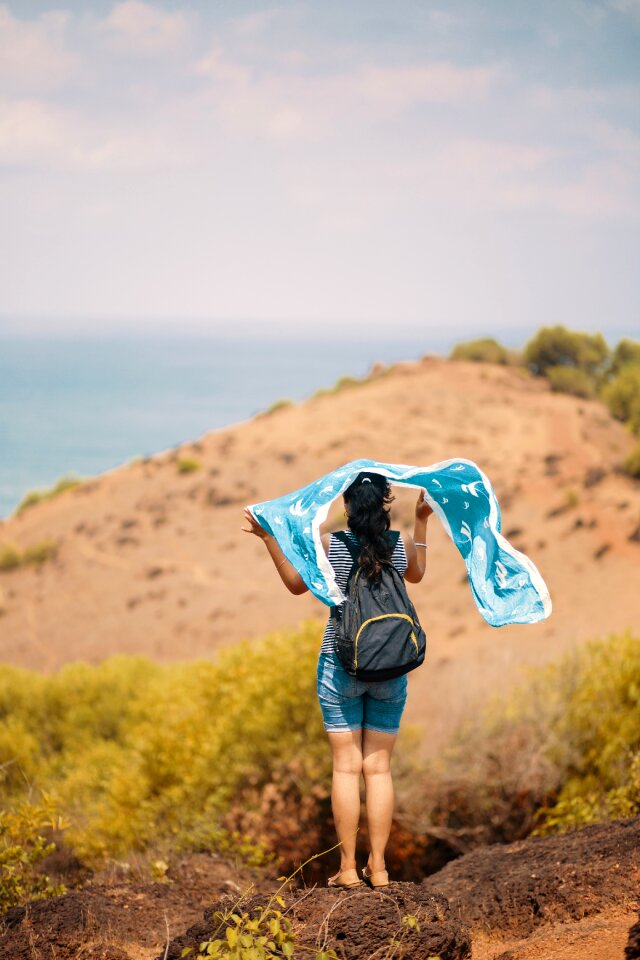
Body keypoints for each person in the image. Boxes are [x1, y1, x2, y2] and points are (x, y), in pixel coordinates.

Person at [241, 470, 432, 888]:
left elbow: (294, 584)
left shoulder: (334, 547)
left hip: (340, 663)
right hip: (392, 667)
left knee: (346, 769)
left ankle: (347, 870)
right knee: (378, 769)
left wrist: (268, 538)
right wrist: (421, 521)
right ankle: (379, 869)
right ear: (385, 501)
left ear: (346, 505)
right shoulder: (397, 545)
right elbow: (415, 575)